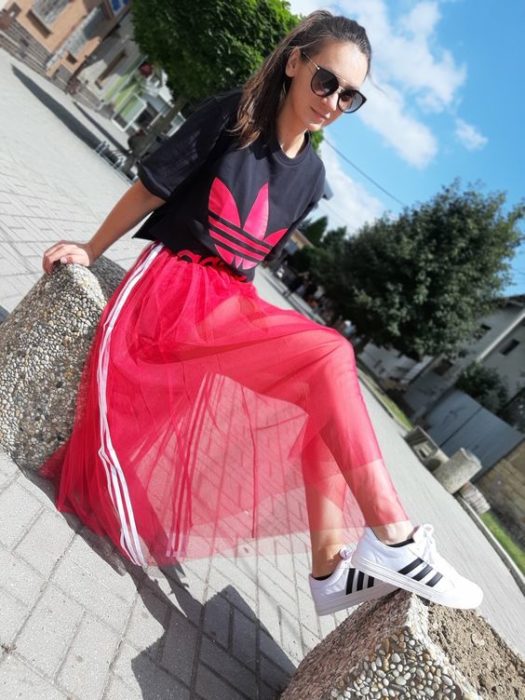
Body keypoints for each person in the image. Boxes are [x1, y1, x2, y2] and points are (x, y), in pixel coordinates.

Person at [40, 11, 482, 616]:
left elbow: (250, 265)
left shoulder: (314, 176)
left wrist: (259, 340)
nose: (332, 101)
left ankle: (330, 567)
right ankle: (396, 539)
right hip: (171, 286)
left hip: (228, 304)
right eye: (326, 81)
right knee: (332, 352)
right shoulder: (234, 116)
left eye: (349, 96)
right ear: (296, 61)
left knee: (323, 382)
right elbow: (152, 187)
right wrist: (91, 249)